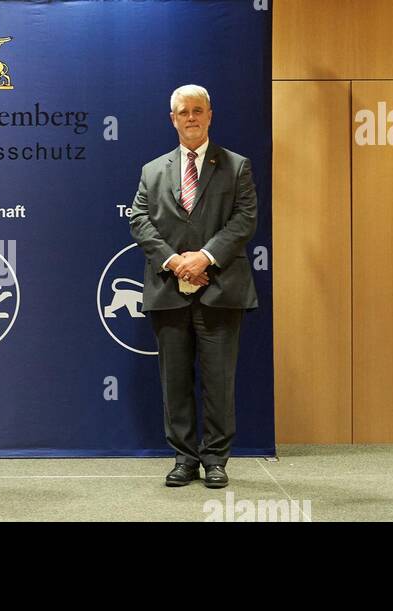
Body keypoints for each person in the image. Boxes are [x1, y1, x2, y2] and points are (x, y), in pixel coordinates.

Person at [127, 84, 258, 489]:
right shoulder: (152, 170)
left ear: (210, 115)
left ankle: (216, 459)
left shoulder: (236, 166)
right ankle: (184, 458)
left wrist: (204, 258)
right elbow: (139, 220)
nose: (191, 117)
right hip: (169, 290)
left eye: (198, 110)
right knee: (176, 381)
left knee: (219, 382)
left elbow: (244, 219)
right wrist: (175, 261)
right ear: (172, 119)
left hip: (221, 290)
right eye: (183, 111)